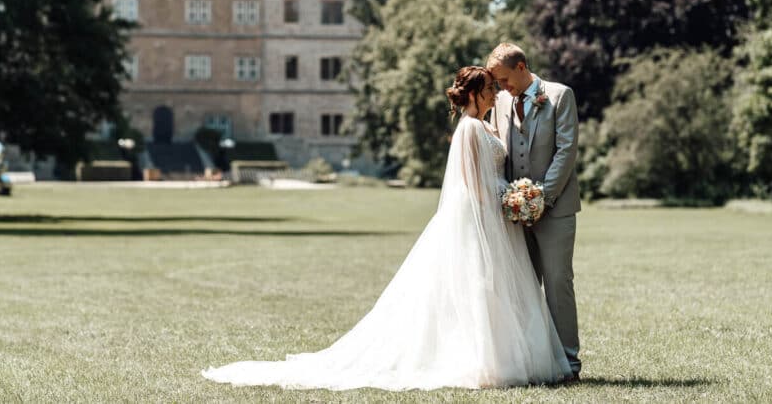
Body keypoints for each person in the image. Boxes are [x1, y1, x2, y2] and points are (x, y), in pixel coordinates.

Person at [201, 66, 572, 391]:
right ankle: (487, 361)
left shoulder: (484, 124)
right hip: (482, 219)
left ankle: (501, 356)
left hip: (495, 219)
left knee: (492, 289)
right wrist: (511, 196)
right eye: (490, 90)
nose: (496, 94)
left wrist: (513, 197)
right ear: (475, 93)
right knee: (479, 287)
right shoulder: (470, 129)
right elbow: (474, 184)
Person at [486, 43, 581, 380]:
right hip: (514, 212)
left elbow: (566, 150)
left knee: (558, 283)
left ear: (522, 67)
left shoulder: (559, 96)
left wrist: (542, 197)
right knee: (522, 286)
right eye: (497, 83)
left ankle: (568, 364)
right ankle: (531, 361)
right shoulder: (498, 103)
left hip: (555, 210)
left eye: (505, 79)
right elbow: (498, 150)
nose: (501, 87)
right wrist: (512, 200)